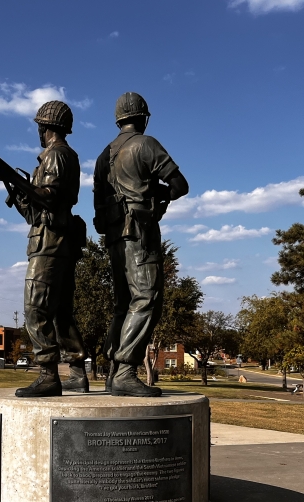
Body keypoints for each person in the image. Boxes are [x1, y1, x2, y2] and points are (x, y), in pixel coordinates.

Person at [93, 92, 189, 397]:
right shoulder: (146, 145)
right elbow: (180, 185)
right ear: (143, 118)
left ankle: (112, 373)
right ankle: (124, 370)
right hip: (139, 234)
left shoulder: (103, 155)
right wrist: (158, 194)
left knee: (124, 304)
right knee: (146, 299)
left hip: (113, 238)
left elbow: (97, 210)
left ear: (119, 119)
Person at [6, 100, 89, 397]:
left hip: (50, 245)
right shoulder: (60, 158)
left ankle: (47, 373)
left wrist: (21, 182)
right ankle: (78, 373)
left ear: (46, 127)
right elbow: (34, 213)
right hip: (56, 241)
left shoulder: (56, 156)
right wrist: (11, 185)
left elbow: (50, 198)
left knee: (34, 308)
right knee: (61, 314)